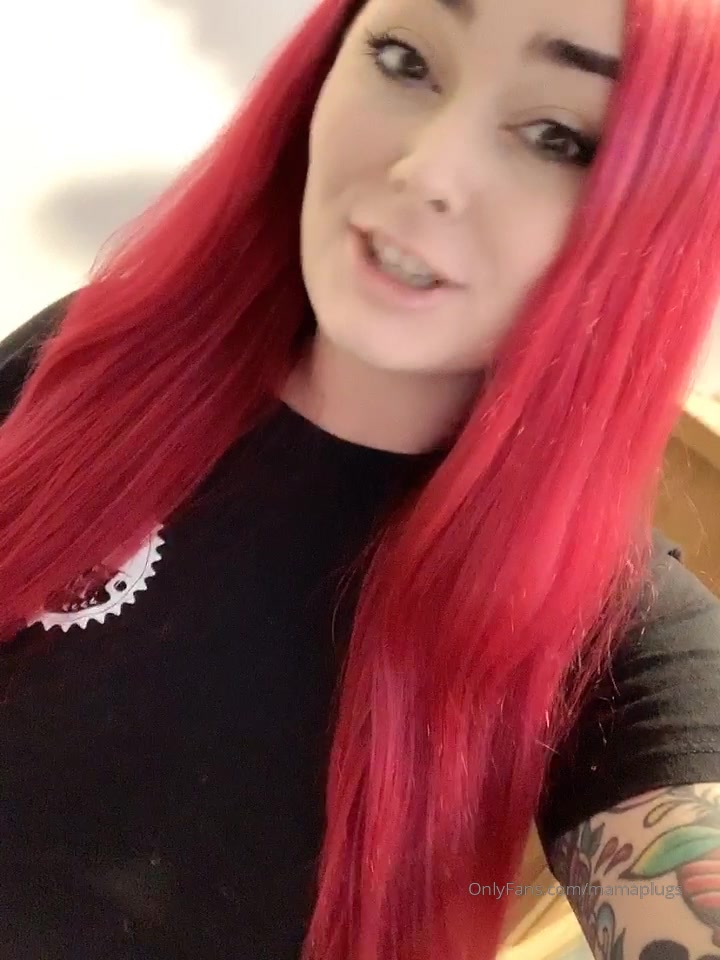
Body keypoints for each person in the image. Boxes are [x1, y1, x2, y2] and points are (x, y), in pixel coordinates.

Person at [3, 0, 720, 957]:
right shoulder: (97, 355)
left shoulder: (611, 635)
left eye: (560, 136)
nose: (426, 169)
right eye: (405, 58)